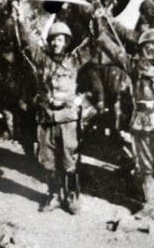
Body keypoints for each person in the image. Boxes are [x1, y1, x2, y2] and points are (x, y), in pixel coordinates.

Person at [96, 27, 154, 220]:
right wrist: (100, 31)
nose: (152, 48)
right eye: (148, 44)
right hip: (142, 122)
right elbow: (115, 52)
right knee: (145, 167)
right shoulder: (134, 66)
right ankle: (149, 206)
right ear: (141, 46)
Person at [20, 18, 94, 214]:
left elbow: (92, 44)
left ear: (66, 42)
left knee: (69, 159)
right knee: (48, 159)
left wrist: (96, 20)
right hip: (47, 118)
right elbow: (29, 41)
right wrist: (20, 18)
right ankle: (54, 195)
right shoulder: (42, 59)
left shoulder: (74, 60)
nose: (55, 43)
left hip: (68, 119)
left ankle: (71, 196)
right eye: (53, 39)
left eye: (60, 39)